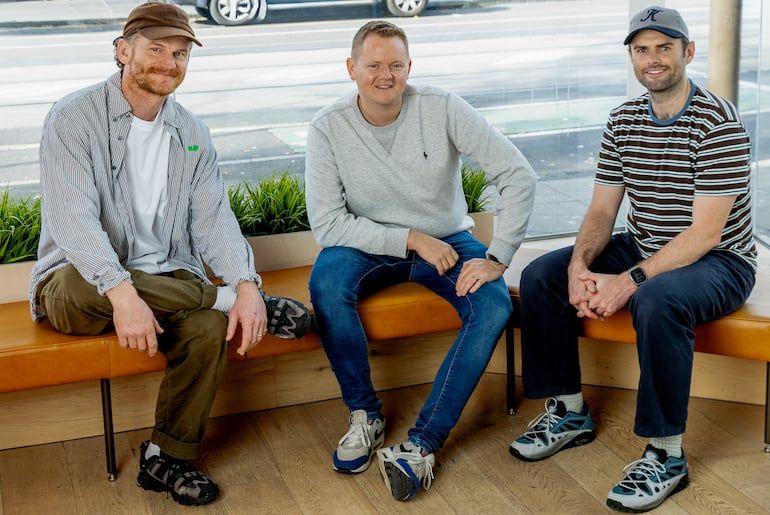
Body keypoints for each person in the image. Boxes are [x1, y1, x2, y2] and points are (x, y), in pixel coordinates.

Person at [29, 2, 310, 506]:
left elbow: (214, 219)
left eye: (180, 53)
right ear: (123, 51)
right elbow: (74, 221)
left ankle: (165, 458)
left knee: (206, 328)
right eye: (156, 49)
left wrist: (246, 285)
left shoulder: (191, 133)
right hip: (83, 287)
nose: (169, 62)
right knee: (77, 282)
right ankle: (219, 300)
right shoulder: (73, 118)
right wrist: (122, 293)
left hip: (167, 281)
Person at [509, 6, 756, 513]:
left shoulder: (718, 122)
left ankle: (666, 454)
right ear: (632, 58)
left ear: (688, 52)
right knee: (541, 276)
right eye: (642, 49)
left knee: (657, 299)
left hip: (721, 260)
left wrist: (627, 281)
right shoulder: (623, 120)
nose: (653, 59)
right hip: (644, 244)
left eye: (664, 47)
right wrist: (579, 267)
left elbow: (705, 233)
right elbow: (603, 210)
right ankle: (569, 411)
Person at [305, 20, 536, 502]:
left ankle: (422, 445)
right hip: (368, 245)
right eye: (373, 65)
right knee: (326, 282)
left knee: (493, 304)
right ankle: (364, 415)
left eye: (396, 64)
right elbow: (327, 225)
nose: (385, 75)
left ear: (410, 66)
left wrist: (498, 256)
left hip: (448, 240)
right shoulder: (327, 127)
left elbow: (518, 174)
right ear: (351, 68)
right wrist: (411, 238)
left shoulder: (443, 107)